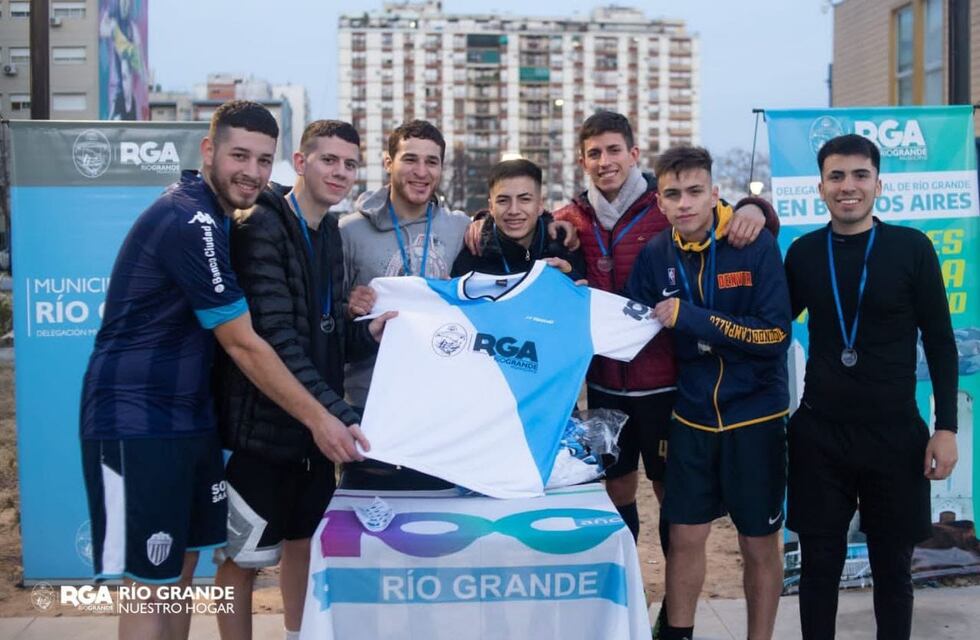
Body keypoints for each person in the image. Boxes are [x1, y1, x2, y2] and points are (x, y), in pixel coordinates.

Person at [79, 101, 377, 640]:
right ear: (208, 151)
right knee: (150, 583)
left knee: (180, 573)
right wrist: (325, 417)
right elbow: (248, 343)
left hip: (192, 420)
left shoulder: (225, 216)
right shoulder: (190, 216)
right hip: (137, 420)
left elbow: (309, 328)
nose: (253, 171)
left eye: (263, 161)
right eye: (240, 155)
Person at [552, 111, 775, 550]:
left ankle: (674, 601)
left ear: (634, 154)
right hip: (604, 381)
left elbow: (728, 217)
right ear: (582, 162)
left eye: (614, 150)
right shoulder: (570, 217)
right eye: (594, 153)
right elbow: (520, 223)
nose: (605, 161)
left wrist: (757, 207)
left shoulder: (668, 203)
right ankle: (629, 586)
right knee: (616, 490)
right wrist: (486, 219)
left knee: (669, 493)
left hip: (665, 381)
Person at [212, 120, 392, 640]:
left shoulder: (330, 232)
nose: (340, 172)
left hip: (312, 434)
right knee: (242, 560)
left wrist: (369, 334)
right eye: (329, 160)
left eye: (349, 164)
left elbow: (325, 332)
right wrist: (336, 413)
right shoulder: (260, 224)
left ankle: (297, 634)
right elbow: (275, 339)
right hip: (262, 432)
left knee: (303, 544)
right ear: (300, 161)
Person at [784, 133, 958, 640]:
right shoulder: (804, 253)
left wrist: (945, 427)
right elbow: (767, 326)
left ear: (879, 184)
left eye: (860, 175)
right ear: (820, 187)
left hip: (895, 435)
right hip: (820, 434)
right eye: (836, 176)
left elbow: (942, 344)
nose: (848, 186)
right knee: (818, 569)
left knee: (892, 571)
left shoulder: (911, 248)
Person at [627, 145, 790, 640]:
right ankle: (678, 634)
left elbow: (774, 336)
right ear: (659, 202)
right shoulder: (657, 254)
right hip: (693, 414)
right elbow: (628, 318)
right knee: (683, 536)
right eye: (673, 194)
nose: (685, 203)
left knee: (758, 542)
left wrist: (693, 318)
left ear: (715, 193)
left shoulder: (752, 242)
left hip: (755, 416)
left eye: (695, 191)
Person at [451, 158, 585, 280]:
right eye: (503, 201)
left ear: (539, 205)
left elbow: (585, 294)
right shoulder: (473, 254)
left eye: (524, 199)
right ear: (491, 207)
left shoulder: (565, 247)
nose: (514, 210)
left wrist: (571, 277)